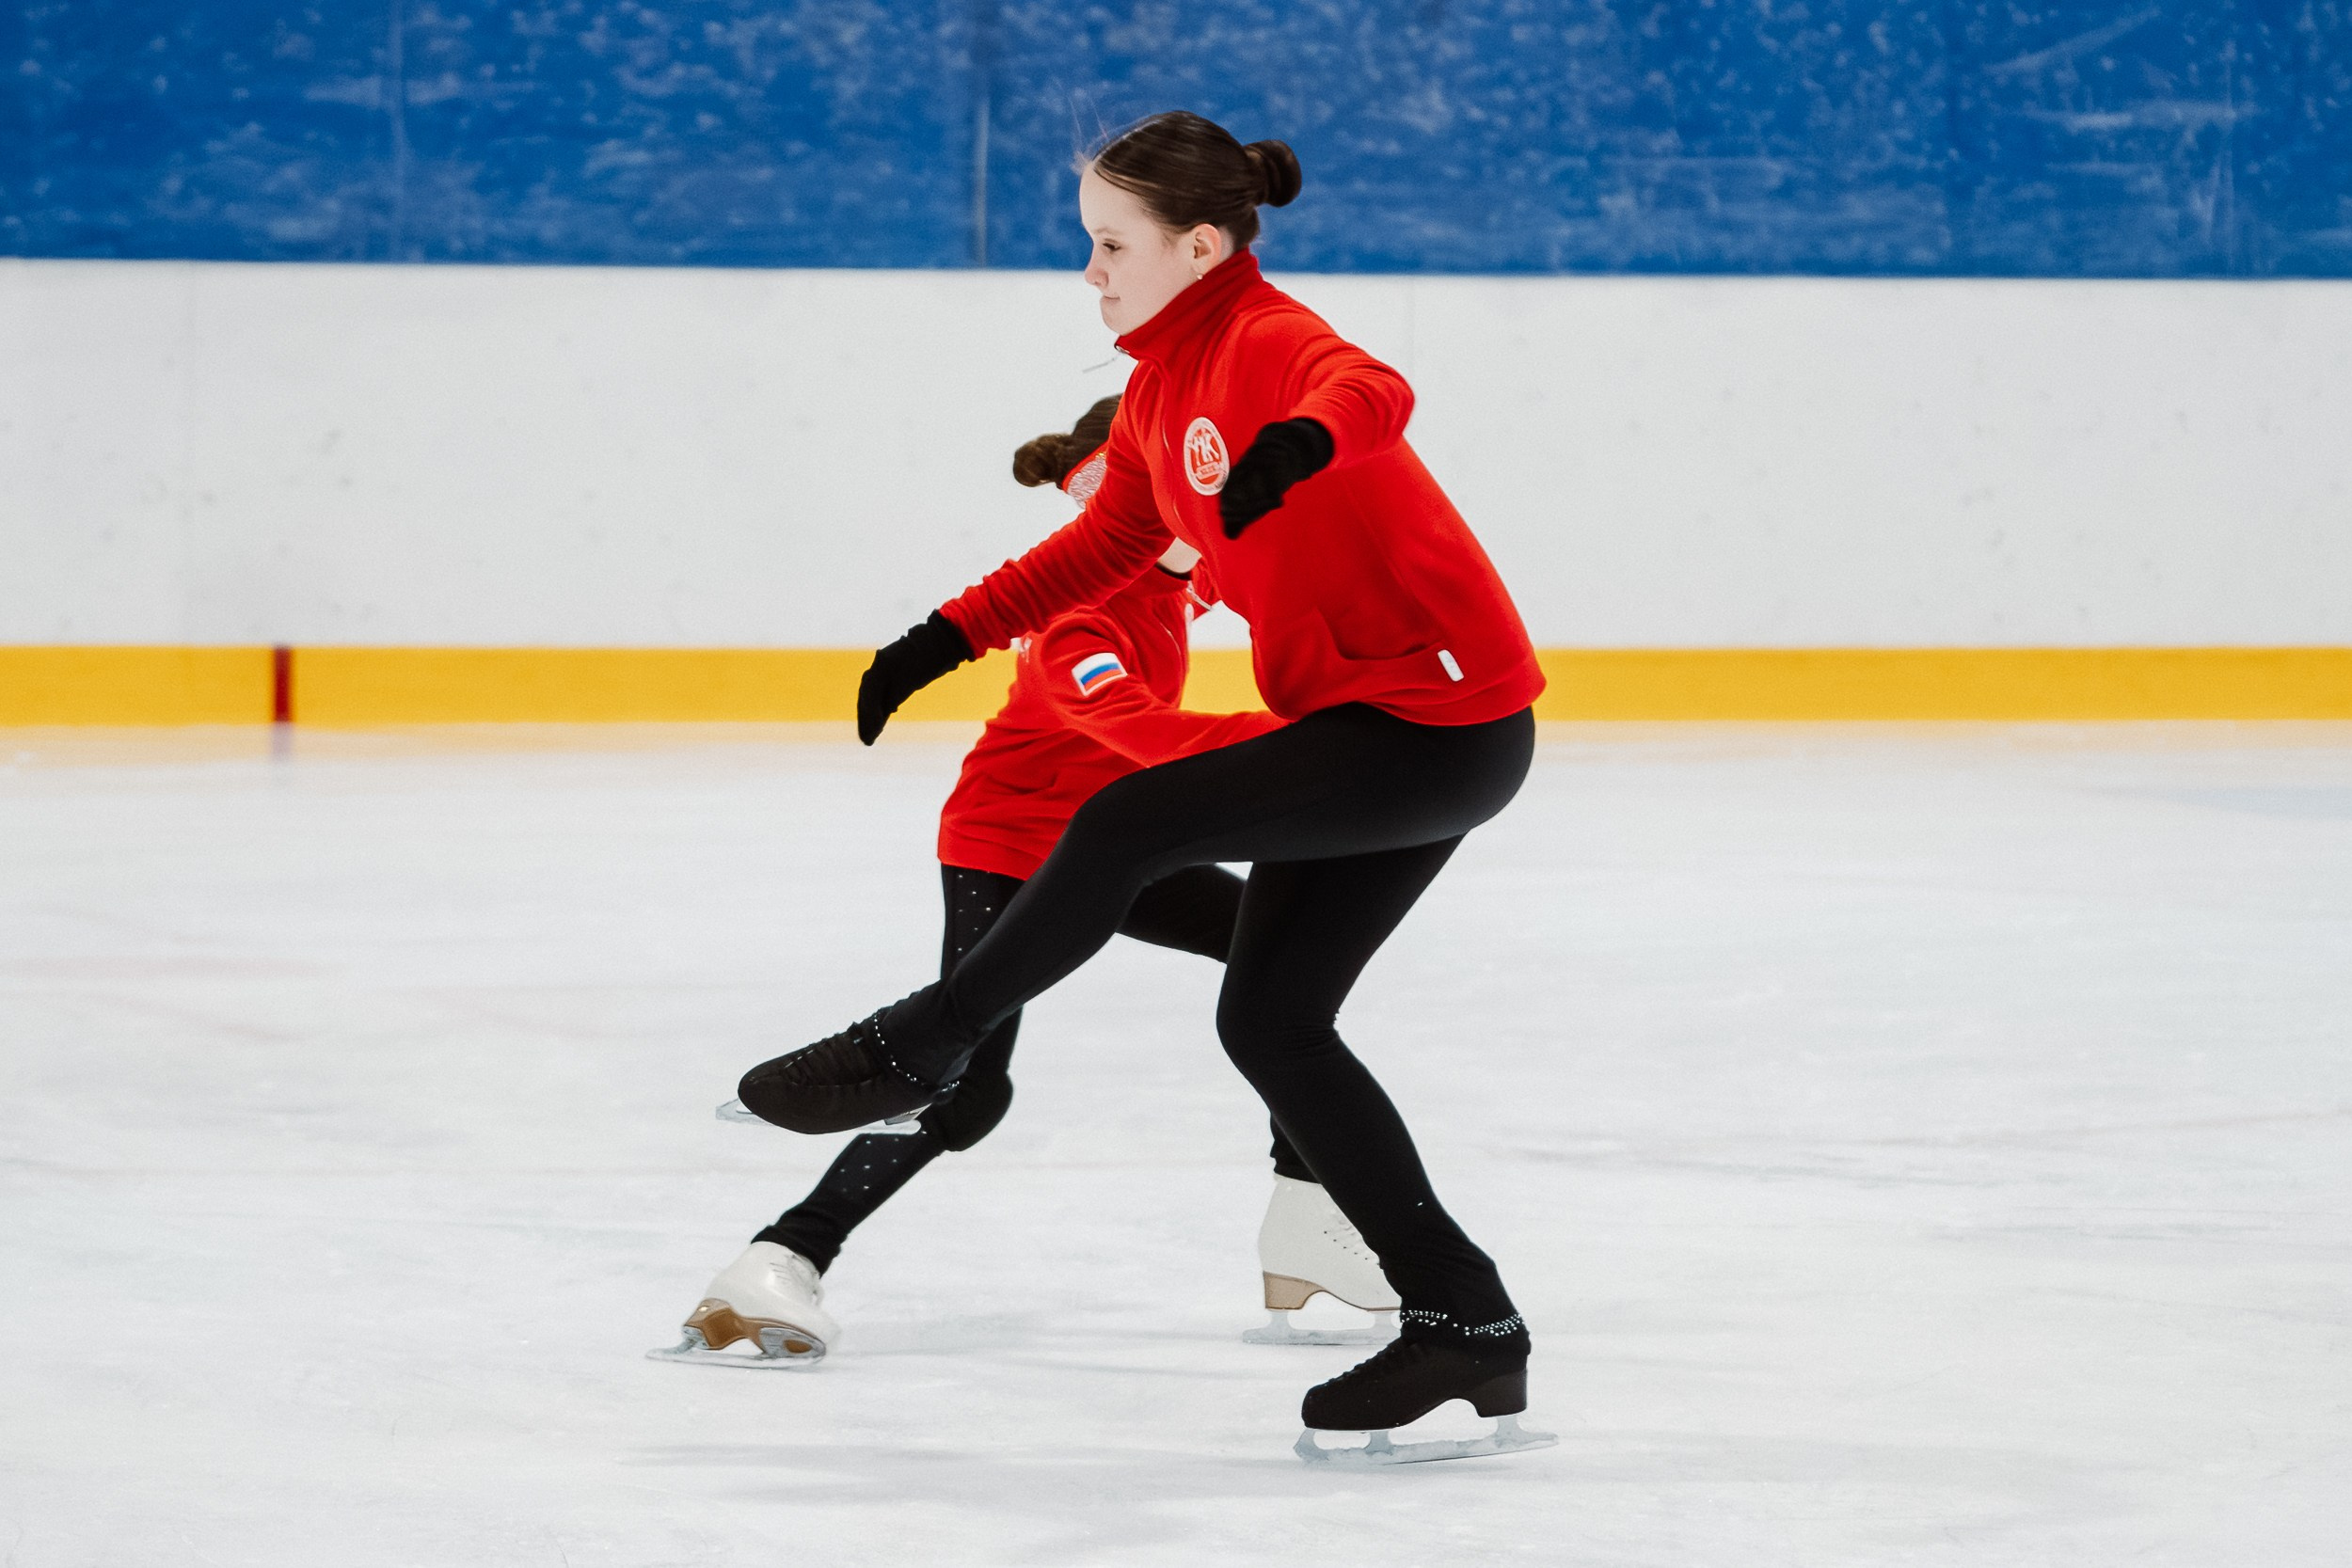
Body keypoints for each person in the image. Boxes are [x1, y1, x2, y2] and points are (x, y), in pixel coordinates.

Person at [736, 112, 1555, 1464]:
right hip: (1371, 719)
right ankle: (1467, 1324)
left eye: (1111, 245)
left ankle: (920, 1041)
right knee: (1274, 1022)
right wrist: (941, 638)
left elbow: (1371, 387)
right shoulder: (1163, 391)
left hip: (1438, 717)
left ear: (1200, 246)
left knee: (1125, 820)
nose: (1091, 271)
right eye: (1089, 244)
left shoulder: (1265, 339)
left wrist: (1305, 444)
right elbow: (1100, 547)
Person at [650, 397, 1398, 1370]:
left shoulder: (1174, 574)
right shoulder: (1081, 620)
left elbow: (1247, 564)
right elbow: (1145, 734)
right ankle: (777, 1258)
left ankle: (1305, 1218)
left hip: (1116, 846)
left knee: (1278, 956)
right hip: (1010, 848)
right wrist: (1328, 751)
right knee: (967, 1084)